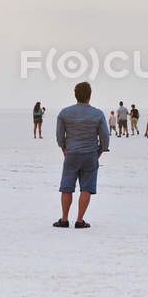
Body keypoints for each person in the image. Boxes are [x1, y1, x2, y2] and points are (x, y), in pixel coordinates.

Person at [54, 82, 109, 229]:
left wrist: (64, 150)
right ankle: (79, 220)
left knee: (67, 187)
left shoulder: (64, 113)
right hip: (90, 154)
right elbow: (105, 137)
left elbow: (60, 137)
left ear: (75, 95)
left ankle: (64, 219)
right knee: (86, 187)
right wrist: (100, 152)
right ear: (89, 96)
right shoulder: (97, 114)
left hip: (71, 153)